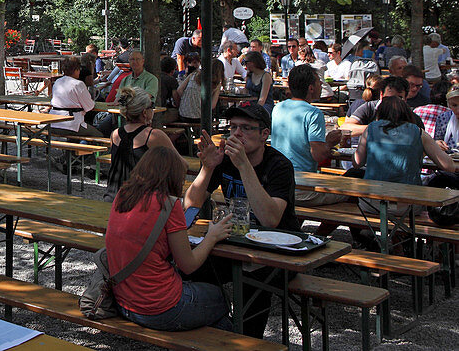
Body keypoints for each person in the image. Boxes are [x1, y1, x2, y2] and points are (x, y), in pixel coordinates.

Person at [184, 102, 297, 337]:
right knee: (190, 268)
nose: (236, 134)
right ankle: (214, 332)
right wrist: (206, 168)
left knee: (251, 280)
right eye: (233, 127)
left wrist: (244, 165)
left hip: (278, 250)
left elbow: (270, 219)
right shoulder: (224, 160)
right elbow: (190, 205)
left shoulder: (279, 166)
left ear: (264, 134)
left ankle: (247, 340)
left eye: (245, 128)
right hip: (236, 242)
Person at [106, 147, 233, 332]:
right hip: (159, 307)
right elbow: (187, 265)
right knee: (220, 297)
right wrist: (212, 236)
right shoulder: (168, 204)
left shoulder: (122, 195)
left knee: (214, 319)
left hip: (124, 302)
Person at [354, 96, 454, 216]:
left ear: (380, 113)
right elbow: (449, 166)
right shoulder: (418, 133)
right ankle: (398, 234)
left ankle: (367, 234)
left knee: (351, 192)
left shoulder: (370, 129)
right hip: (408, 205)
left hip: (371, 203)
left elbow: (357, 163)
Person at [270, 65, 345, 206]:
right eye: (319, 82)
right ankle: (321, 229)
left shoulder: (278, 108)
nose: (322, 85)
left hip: (277, 184)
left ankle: (297, 226)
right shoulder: (313, 113)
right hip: (302, 189)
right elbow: (318, 155)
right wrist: (329, 143)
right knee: (352, 195)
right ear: (311, 88)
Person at [105, 87, 183, 199]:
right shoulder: (153, 136)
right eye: (152, 106)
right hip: (139, 202)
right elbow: (181, 164)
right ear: (145, 112)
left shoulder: (115, 134)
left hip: (112, 198)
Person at [48, 56, 100, 137]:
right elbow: (89, 106)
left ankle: (71, 149)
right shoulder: (78, 84)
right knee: (98, 135)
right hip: (71, 124)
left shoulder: (57, 82)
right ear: (76, 70)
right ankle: (87, 149)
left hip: (54, 122)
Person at [344, 74, 410, 137]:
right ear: (381, 95)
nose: (393, 101)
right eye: (389, 97)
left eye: (399, 98)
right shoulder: (370, 107)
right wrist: (377, 128)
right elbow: (345, 128)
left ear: (405, 99)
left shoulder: (409, 115)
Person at [174, 60, 223, 124]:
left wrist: (187, 100)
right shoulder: (216, 84)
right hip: (201, 118)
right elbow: (212, 105)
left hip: (183, 115)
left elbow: (179, 90)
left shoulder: (193, 75)